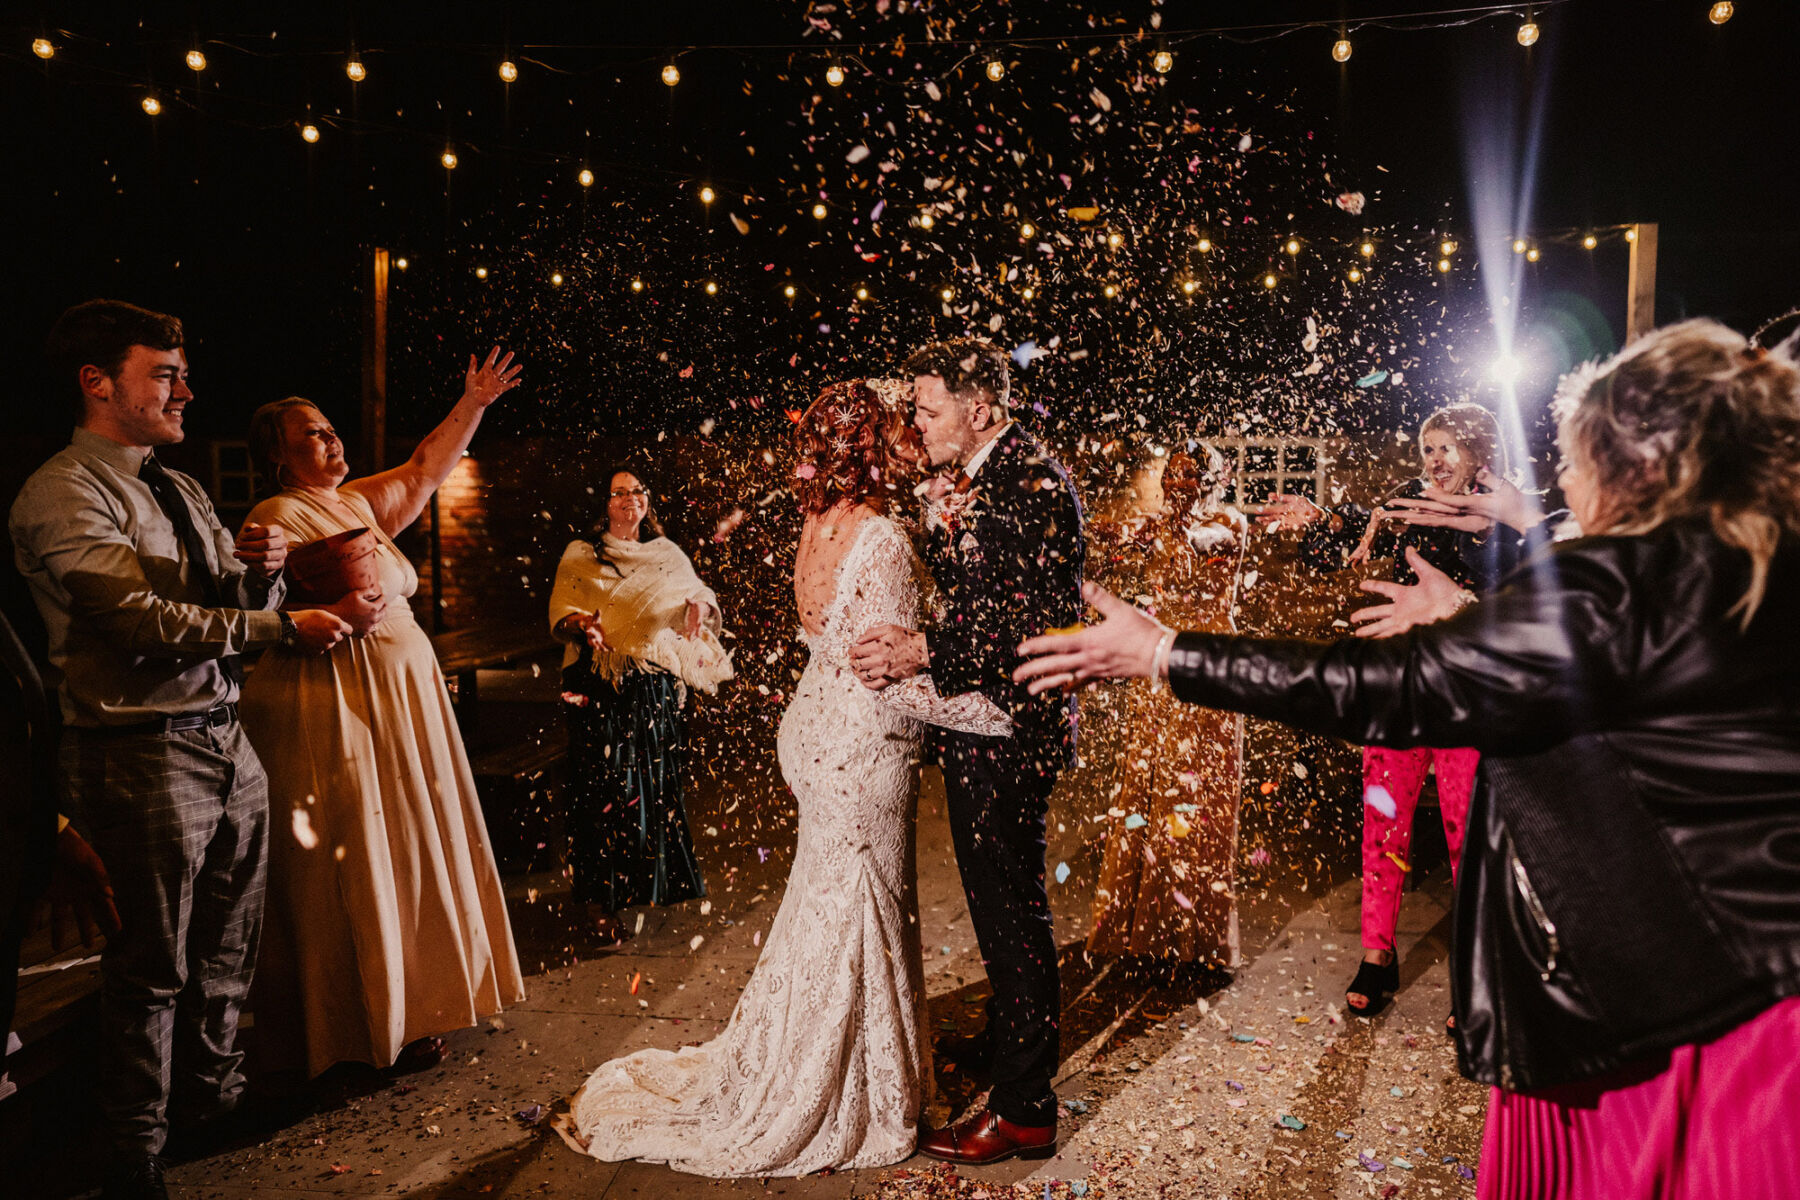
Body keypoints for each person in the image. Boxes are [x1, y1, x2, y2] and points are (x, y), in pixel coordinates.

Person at [1016, 319, 1800, 1198]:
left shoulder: (1616, 583)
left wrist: (1165, 653)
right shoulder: (1754, 565)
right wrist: (1525, 534)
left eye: (1575, 460)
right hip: (1762, 990)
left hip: (1664, 1025)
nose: (1562, 480)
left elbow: (1394, 686)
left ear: (1637, 465)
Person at [553, 381, 1008, 1176]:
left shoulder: (814, 524)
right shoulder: (882, 538)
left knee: (827, 912)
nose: (910, 441)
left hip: (812, 729)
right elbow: (889, 672)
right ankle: (846, 1091)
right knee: (862, 909)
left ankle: (826, 1060)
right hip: (862, 745)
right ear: (873, 447)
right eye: (899, 431)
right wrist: (999, 712)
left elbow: (829, 646)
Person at [9, 300, 349, 1200]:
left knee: (228, 948)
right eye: (163, 374)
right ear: (97, 383)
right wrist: (277, 621)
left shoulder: (181, 484)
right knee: (152, 967)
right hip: (138, 751)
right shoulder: (62, 492)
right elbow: (136, 620)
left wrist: (265, 563)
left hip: (224, 740)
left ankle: (211, 1106)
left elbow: (221, 592)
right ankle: (136, 1156)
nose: (185, 391)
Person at [235, 349, 526, 1079]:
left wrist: (475, 403)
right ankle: (355, 1025)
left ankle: (414, 1007)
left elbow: (427, 468)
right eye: (312, 434)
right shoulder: (276, 514)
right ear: (277, 454)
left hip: (401, 700)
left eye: (332, 429)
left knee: (407, 845)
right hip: (342, 698)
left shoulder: (356, 504)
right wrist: (320, 605)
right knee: (360, 854)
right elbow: (262, 599)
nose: (331, 440)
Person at [849, 339, 1086, 1165]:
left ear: (979, 409)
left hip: (1011, 727)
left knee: (1012, 916)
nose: (917, 421)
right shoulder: (985, 475)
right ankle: (1009, 1058)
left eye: (928, 407)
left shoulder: (1029, 482)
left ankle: (1024, 1109)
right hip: (983, 724)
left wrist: (922, 651)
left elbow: (1028, 625)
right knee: (1003, 910)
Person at [1259, 404, 1520, 1018]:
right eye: (1428, 448)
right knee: (1384, 826)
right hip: (1401, 689)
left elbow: (1523, 598)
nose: (1434, 460)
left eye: (1447, 448)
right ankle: (1377, 956)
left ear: (1479, 452)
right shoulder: (1408, 501)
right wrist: (1318, 522)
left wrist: (1466, 594)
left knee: (1467, 835)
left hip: (1466, 695)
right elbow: (1350, 538)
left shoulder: (1505, 515)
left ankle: (1475, 970)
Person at [547, 468, 733, 946]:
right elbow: (561, 610)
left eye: (638, 491)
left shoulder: (666, 553)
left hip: (652, 688)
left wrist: (700, 608)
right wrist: (582, 624)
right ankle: (597, 901)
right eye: (619, 493)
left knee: (649, 790)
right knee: (601, 792)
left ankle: (641, 888)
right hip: (598, 684)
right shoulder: (583, 554)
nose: (630, 499)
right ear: (605, 504)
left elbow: (702, 594)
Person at [1084, 447, 1247, 967]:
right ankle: (1143, 927)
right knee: (1148, 787)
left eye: (1190, 474)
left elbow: (1204, 547)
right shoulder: (1156, 525)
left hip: (1207, 660)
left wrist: (1162, 527)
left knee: (1196, 793)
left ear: (1212, 478)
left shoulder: (1227, 522)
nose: (1179, 484)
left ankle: (1193, 932)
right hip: (1158, 663)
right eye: (1172, 474)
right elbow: (1103, 538)